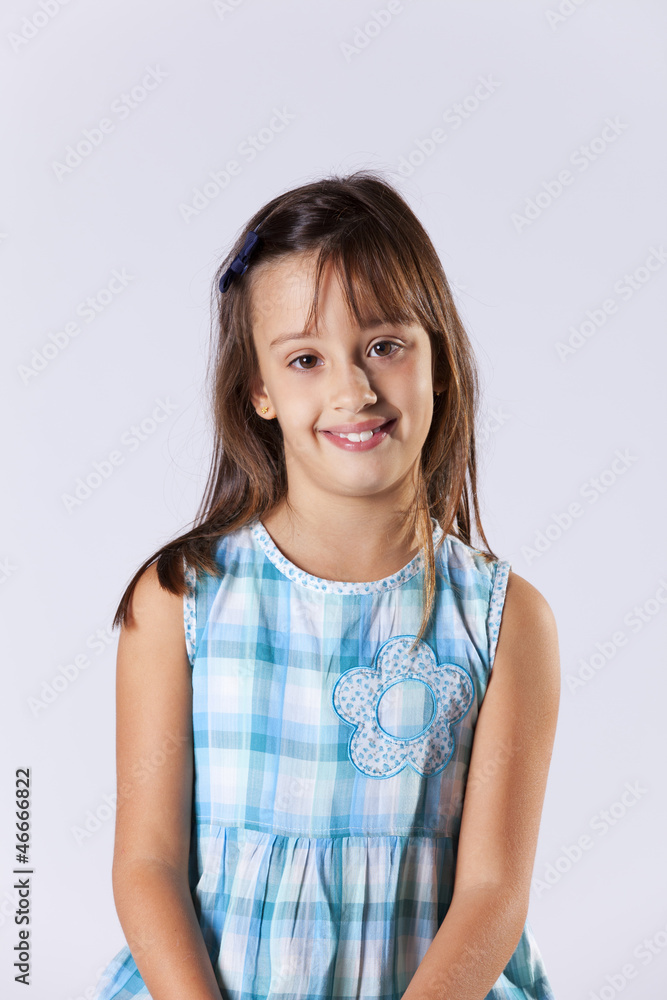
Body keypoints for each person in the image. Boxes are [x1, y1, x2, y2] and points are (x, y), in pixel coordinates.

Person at [92, 170, 561, 1000]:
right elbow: (147, 865)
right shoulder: (177, 601)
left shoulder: (503, 620)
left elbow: (491, 894)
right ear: (259, 390)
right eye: (305, 359)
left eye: (384, 345)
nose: (353, 390)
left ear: (436, 358)